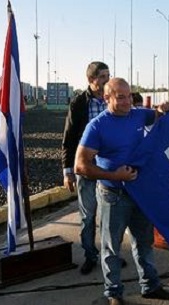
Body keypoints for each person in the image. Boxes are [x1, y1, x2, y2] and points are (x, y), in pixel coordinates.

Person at [75, 78, 169, 304]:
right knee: (111, 248)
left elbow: (159, 115)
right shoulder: (97, 126)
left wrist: (163, 108)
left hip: (140, 193)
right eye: (120, 97)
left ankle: (150, 286)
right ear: (107, 98)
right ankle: (113, 294)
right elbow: (80, 166)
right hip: (113, 195)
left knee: (144, 242)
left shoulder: (138, 114)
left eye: (129, 95)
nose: (127, 101)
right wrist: (114, 176)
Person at [61, 61, 112, 275]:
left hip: (111, 168)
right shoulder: (79, 103)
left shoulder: (113, 98)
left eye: (109, 75)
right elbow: (69, 138)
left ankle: (111, 257)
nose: (107, 80)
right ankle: (91, 256)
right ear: (91, 80)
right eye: (103, 77)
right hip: (87, 169)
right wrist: (67, 172)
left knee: (111, 216)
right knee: (88, 215)